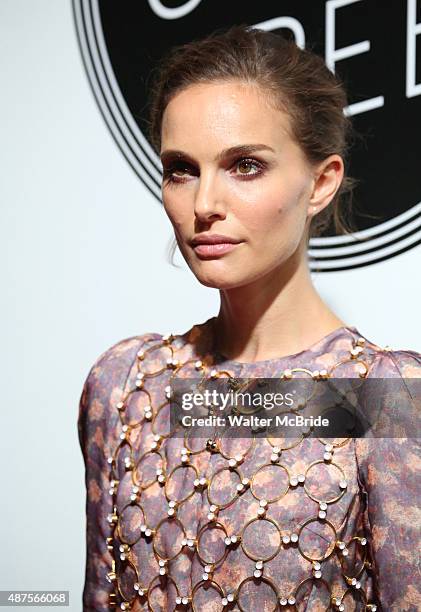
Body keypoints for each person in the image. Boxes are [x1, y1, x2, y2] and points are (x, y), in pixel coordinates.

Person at [78, 25, 421, 611]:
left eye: (244, 166)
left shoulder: (383, 398)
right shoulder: (125, 385)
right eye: (182, 169)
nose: (204, 204)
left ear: (320, 183)